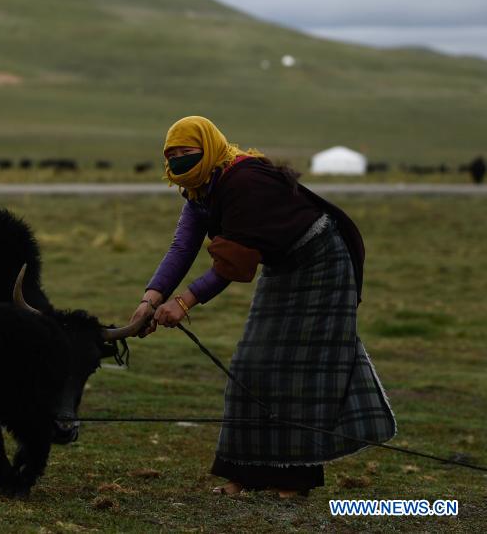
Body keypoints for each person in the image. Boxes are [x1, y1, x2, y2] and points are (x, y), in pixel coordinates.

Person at [130, 116, 395, 498]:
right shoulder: (199, 190)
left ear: (208, 147)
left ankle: (295, 481)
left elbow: (231, 265)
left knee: (299, 370)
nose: (179, 162)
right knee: (251, 364)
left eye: (187, 153)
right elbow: (182, 247)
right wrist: (149, 299)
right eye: (171, 155)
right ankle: (245, 475)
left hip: (323, 260)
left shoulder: (242, 180)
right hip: (284, 262)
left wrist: (184, 302)